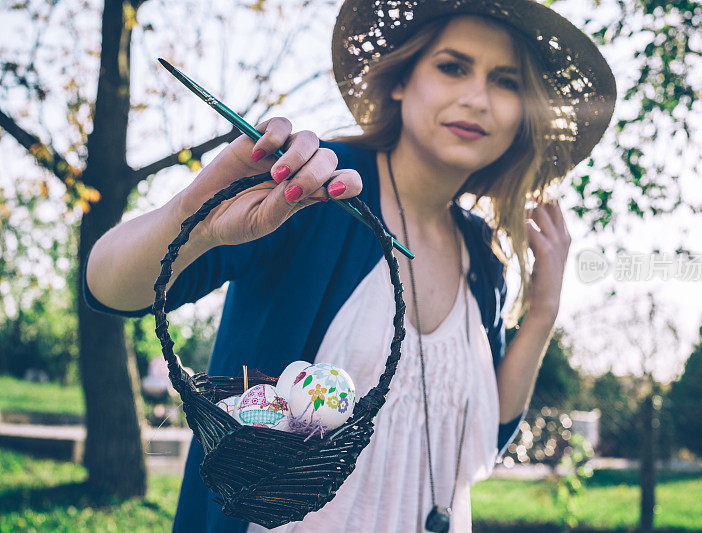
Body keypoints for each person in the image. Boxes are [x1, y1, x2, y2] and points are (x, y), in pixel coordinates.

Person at [83, 0, 616, 531]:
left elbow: (479, 436)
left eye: (505, 82)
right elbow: (110, 287)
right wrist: (192, 217)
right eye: (452, 67)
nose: (477, 98)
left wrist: (544, 309)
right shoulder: (319, 187)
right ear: (403, 79)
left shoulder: (484, 257)